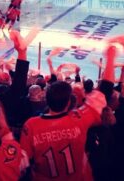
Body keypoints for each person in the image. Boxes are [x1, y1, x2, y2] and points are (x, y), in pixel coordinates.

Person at [20, 45, 117, 180]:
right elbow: (105, 91)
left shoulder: (31, 125)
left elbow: (21, 163)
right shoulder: (79, 119)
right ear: (68, 103)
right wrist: (111, 58)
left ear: (46, 99)